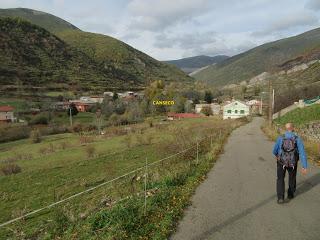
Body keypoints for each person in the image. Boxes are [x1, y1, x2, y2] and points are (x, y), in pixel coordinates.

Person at [273, 122, 307, 204]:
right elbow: (302, 152)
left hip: (281, 162)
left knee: (280, 178)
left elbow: (274, 150)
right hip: (293, 162)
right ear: (293, 128)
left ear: (286, 129)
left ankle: (280, 197)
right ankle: (290, 194)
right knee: (292, 178)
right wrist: (304, 166)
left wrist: (277, 155)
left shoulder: (281, 137)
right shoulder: (297, 138)